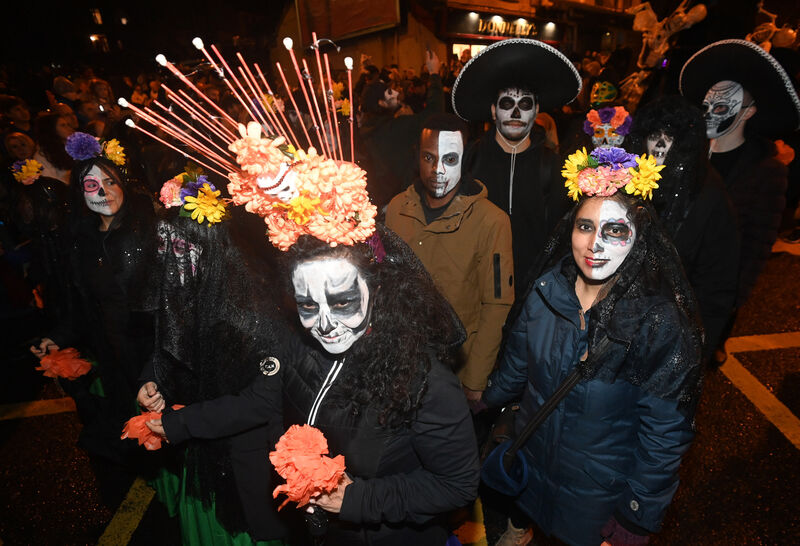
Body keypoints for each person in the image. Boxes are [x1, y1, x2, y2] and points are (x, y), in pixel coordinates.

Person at [142, 113, 479, 544]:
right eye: (306, 304)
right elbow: (259, 401)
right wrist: (175, 422)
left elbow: (456, 484)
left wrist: (355, 501)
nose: (324, 323)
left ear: (376, 290)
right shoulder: (297, 346)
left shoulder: (427, 382)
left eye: (342, 301)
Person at [483, 147, 703, 546]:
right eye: (584, 226)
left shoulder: (658, 324)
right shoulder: (548, 291)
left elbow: (665, 436)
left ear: (638, 238)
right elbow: (516, 367)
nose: (594, 243)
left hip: (596, 503)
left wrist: (632, 521)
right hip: (534, 474)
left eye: (614, 230)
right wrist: (475, 406)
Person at [137, 171, 289, 545]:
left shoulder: (253, 310)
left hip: (243, 465)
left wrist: (183, 422)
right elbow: (167, 345)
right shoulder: (183, 292)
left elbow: (262, 401)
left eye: (179, 249)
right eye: (163, 248)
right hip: (200, 455)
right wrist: (150, 379)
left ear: (208, 248)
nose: (168, 261)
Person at [30, 132, 157, 505]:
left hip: (153, 349)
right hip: (112, 350)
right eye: (91, 185)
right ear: (80, 195)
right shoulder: (81, 242)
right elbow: (81, 304)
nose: (103, 191)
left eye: (110, 182)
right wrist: (59, 335)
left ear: (123, 185)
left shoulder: (149, 231)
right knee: (127, 423)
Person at [385, 113, 513, 408]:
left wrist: (475, 380)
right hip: (399, 366)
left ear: (465, 160)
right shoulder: (396, 208)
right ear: (417, 157)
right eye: (429, 158)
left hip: (454, 372)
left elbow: (497, 304)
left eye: (450, 159)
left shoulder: (492, 222)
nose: (437, 170)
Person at [679, 39, 800, 329]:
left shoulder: (766, 172)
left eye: (721, 108)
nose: (708, 115)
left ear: (748, 111)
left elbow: (755, 247)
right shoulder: (687, 156)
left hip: (709, 297)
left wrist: (729, 305)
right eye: (706, 105)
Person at [454, 39, 582, 293]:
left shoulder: (552, 165)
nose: (515, 113)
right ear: (493, 111)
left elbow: (560, 235)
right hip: (477, 286)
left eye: (524, 105)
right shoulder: (471, 158)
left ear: (536, 112)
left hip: (532, 289)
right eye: (506, 104)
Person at [626, 95, 740, 363]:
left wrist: (696, 352)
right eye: (655, 134)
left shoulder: (707, 193)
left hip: (671, 333)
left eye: (671, 135)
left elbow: (717, 282)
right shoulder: (629, 177)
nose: (661, 144)